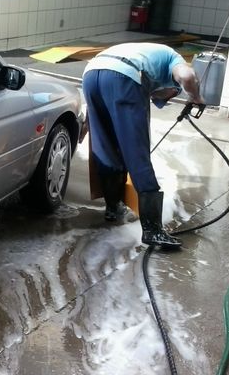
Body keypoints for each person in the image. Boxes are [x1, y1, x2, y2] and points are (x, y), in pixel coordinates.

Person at [82, 43, 204, 249]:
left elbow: (103, 82)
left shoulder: (143, 51)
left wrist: (88, 122)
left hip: (91, 75)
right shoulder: (173, 57)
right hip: (125, 78)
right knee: (136, 152)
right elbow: (188, 77)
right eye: (170, 94)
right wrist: (195, 96)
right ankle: (153, 230)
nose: (160, 97)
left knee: (106, 148)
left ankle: (113, 208)